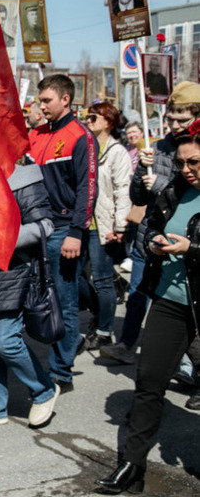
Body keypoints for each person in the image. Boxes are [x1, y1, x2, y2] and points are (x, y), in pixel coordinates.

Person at [95, 124, 200, 494]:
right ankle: (131, 466)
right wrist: (155, 240)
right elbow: (152, 218)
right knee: (148, 382)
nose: (187, 169)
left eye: (195, 162)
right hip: (170, 302)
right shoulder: (177, 191)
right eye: (183, 162)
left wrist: (192, 250)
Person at [101, 82, 200, 368]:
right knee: (139, 296)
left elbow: (184, 194)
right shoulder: (157, 147)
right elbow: (138, 196)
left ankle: (190, 371)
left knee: (188, 311)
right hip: (154, 238)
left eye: (184, 119)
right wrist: (141, 172)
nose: (175, 124)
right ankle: (129, 345)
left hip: (189, 243)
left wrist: (160, 184)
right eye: (172, 118)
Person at [0, 163, 59, 430]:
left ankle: (44, 390)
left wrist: (0, 240)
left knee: (5, 340)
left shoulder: (22, 176)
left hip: (13, 270)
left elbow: (45, 225)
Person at [27, 74, 98, 393]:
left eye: (47, 101)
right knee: (33, 294)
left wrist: (76, 231)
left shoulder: (81, 136)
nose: (41, 106)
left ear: (65, 100)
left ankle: (60, 371)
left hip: (62, 230)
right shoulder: (36, 134)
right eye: (40, 101)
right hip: (33, 228)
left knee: (64, 301)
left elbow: (87, 187)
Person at [81, 103, 132, 350]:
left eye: (93, 117)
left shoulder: (117, 152)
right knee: (73, 276)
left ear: (108, 121)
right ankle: (106, 299)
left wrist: (120, 226)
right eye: (87, 117)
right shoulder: (85, 147)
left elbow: (124, 190)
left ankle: (104, 330)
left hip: (103, 224)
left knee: (100, 280)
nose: (88, 121)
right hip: (80, 222)